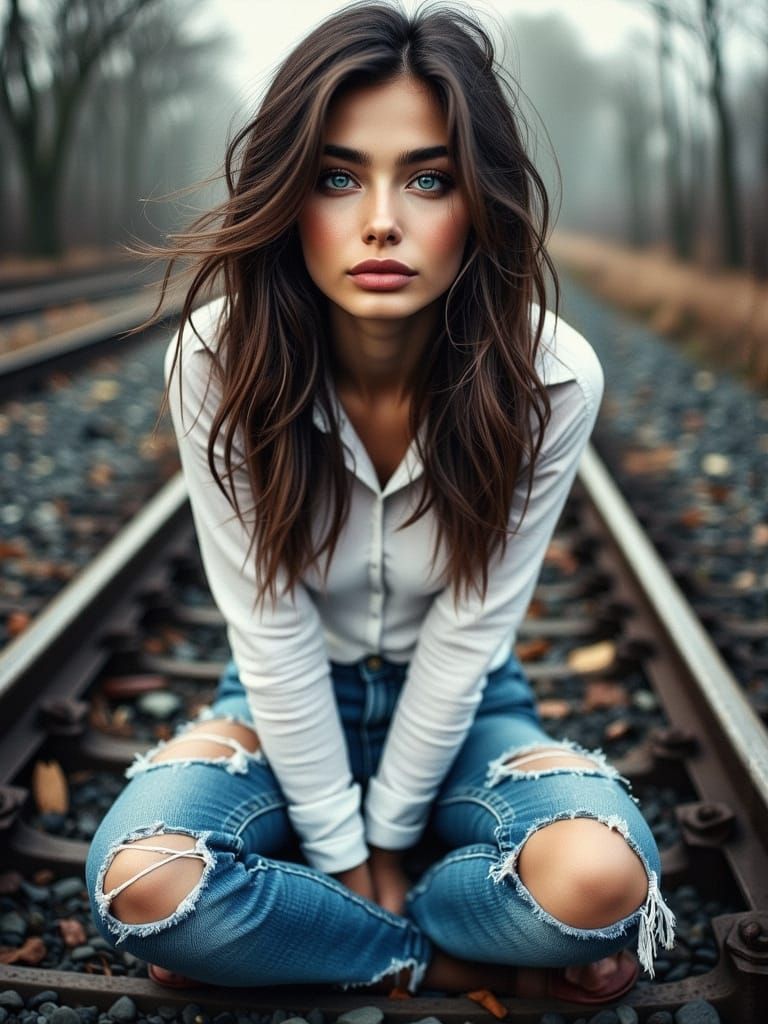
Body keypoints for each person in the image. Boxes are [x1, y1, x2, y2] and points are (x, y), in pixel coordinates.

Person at [86, 0, 675, 1004]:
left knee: (599, 882)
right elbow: (266, 625)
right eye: (338, 176)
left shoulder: (553, 375)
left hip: (467, 708)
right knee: (147, 884)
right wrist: (341, 842)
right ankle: (442, 960)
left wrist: (386, 838)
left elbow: (470, 625)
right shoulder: (217, 358)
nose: (383, 220)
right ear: (292, 192)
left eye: (429, 178)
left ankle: (302, 937)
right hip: (276, 703)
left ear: (476, 200)